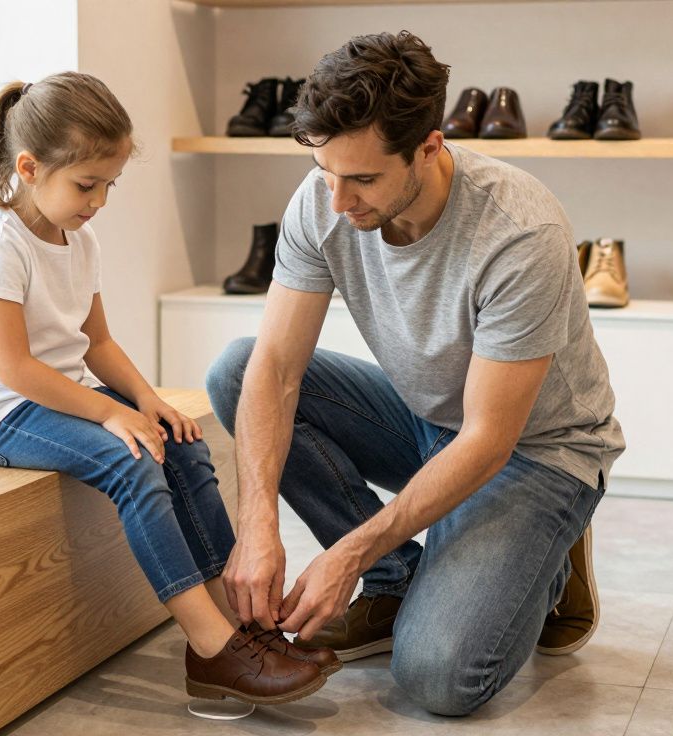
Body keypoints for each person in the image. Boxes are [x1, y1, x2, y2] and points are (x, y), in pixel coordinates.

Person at [205, 32, 625, 716]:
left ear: (429, 146)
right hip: (429, 419)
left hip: (536, 450)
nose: (337, 201)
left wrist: (348, 554)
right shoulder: (325, 198)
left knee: (439, 677)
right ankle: (398, 580)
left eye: (363, 179)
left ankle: (552, 547)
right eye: (326, 172)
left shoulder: (520, 234)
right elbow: (277, 369)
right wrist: (258, 523)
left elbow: (489, 440)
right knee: (236, 368)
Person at [0, 71, 336, 705]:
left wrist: (146, 399)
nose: (98, 201)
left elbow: (95, 343)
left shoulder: (81, 238)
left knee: (180, 442)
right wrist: (109, 415)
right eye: (86, 184)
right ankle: (210, 646)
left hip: (58, 394)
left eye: (109, 185)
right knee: (132, 461)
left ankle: (242, 623)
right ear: (29, 166)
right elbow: (13, 369)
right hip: (2, 413)